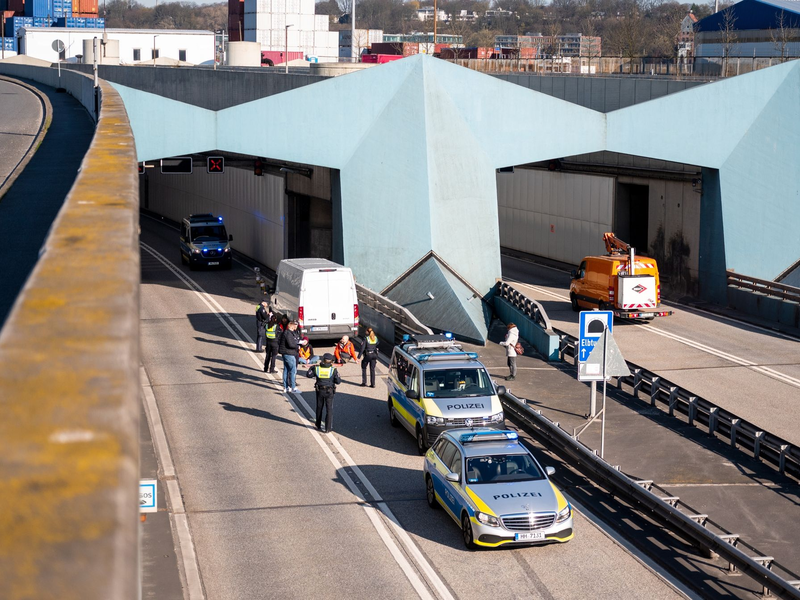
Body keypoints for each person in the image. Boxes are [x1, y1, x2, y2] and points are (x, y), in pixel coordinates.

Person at [307, 353, 341, 433]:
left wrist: (311, 368)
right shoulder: (333, 370)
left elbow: (308, 375)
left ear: (322, 360)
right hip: (329, 391)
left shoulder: (317, 369)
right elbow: (338, 381)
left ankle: (318, 425)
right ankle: (327, 428)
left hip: (320, 390)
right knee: (329, 409)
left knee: (319, 407)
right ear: (331, 362)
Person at [278, 320, 301, 392]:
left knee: (286, 370)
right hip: (289, 353)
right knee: (293, 370)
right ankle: (293, 387)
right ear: (292, 325)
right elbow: (291, 344)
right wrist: (297, 346)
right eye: (295, 325)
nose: (296, 326)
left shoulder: (289, 333)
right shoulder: (288, 333)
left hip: (287, 353)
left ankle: (286, 387)